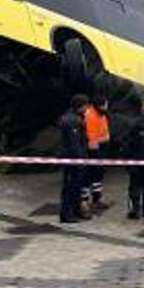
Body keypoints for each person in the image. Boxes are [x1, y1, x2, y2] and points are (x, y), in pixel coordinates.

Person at [58, 94, 91, 223]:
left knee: (76, 186)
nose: (87, 108)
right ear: (81, 106)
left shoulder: (74, 118)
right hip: (73, 160)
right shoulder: (72, 121)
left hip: (77, 158)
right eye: (86, 106)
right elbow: (74, 144)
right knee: (70, 186)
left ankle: (75, 210)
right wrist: (79, 159)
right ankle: (67, 214)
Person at [82, 94, 112, 211]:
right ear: (100, 105)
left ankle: (96, 199)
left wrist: (103, 139)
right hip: (92, 152)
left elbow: (106, 134)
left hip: (100, 151)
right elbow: (92, 142)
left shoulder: (101, 115)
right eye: (105, 105)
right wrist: (103, 139)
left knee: (98, 175)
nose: (107, 107)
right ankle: (84, 201)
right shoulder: (90, 116)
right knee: (88, 176)